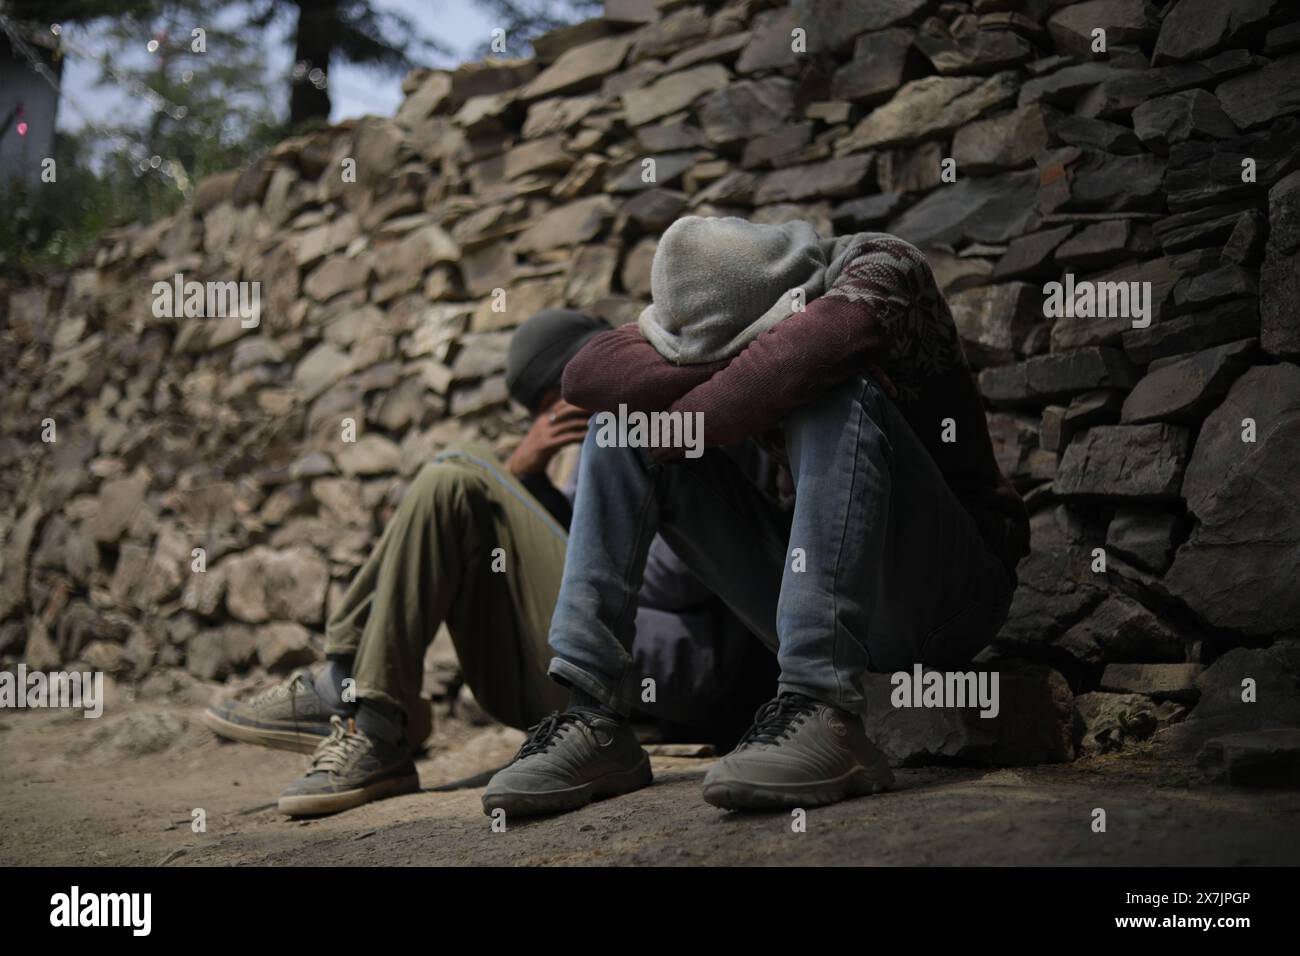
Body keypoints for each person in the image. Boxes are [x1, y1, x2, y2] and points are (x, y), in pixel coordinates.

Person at [483, 217, 1031, 816]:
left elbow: (800, 359)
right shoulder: (716, 292)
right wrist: (726, 370)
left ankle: (823, 709)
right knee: (618, 425)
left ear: (788, 305)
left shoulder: (882, 266)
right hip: (817, 592)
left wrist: (716, 388)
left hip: (947, 595)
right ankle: (593, 715)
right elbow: (586, 373)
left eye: (743, 343)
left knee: (830, 389)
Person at [203, 308, 774, 816]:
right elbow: (584, 545)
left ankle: (359, 705)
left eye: (562, 396)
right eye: (553, 405)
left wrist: (514, 486)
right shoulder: (599, 450)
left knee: (457, 472)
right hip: (589, 681)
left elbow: (673, 582)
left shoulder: (678, 407)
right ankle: (355, 693)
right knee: (460, 482)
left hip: (686, 678)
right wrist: (527, 476)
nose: (571, 410)